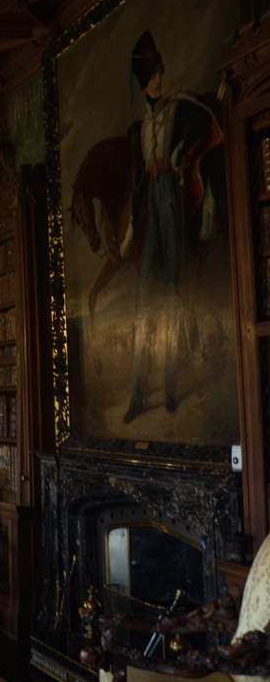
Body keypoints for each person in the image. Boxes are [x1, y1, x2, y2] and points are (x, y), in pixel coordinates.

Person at [119, 30, 223, 424]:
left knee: (173, 288)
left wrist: (178, 153)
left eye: (160, 71)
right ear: (142, 79)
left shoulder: (176, 107)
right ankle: (137, 395)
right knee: (144, 299)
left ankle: (170, 388)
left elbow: (205, 123)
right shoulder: (141, 128)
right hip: (151, 199)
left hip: (171, 196)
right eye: (152, 74)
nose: (158, 79)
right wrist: (131, 230)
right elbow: (138, 184)